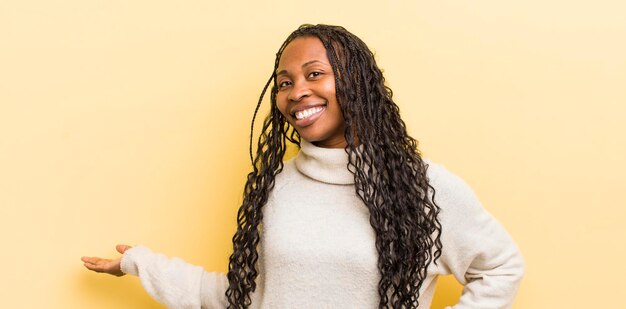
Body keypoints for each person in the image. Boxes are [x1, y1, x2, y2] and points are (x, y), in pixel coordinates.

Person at [82, 24, 524, 309]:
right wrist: (141, 265)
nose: (296, 92)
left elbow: (501, 268)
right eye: (285, 82)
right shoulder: (276, 187)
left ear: (357, 83)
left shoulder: (422, 186)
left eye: (315, 74)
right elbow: (245, 297)